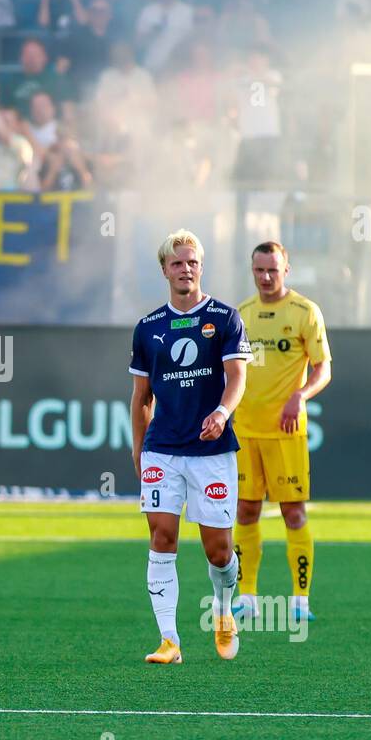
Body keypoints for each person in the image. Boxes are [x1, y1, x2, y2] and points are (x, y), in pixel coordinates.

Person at [129, 230, 252, 665]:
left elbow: (237, 377)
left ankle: (222, 613)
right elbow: (141, 397)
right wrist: (139, 451)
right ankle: (169, 640)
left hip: (212, 452)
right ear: (164, 270)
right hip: (162, 450)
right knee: (162, 536)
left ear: (201, 267)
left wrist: (221, 413)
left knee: (218, 550)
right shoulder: (147, 329)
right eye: (178, 263)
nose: (186, 270)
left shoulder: (225, 317)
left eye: (193, 262)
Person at [232, 242, 332, 624]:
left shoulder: (305, 312)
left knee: (293, 512)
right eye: (260, 271)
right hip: (245, 430)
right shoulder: (240, 316)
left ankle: (300, 599)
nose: (267, 277)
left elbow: (323, 369)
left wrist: (300, 395)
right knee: (245, 510)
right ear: (252, 270)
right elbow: (231, 370)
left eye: (273, 270)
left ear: (286, 269)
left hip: (286, 430)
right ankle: (247, 596)